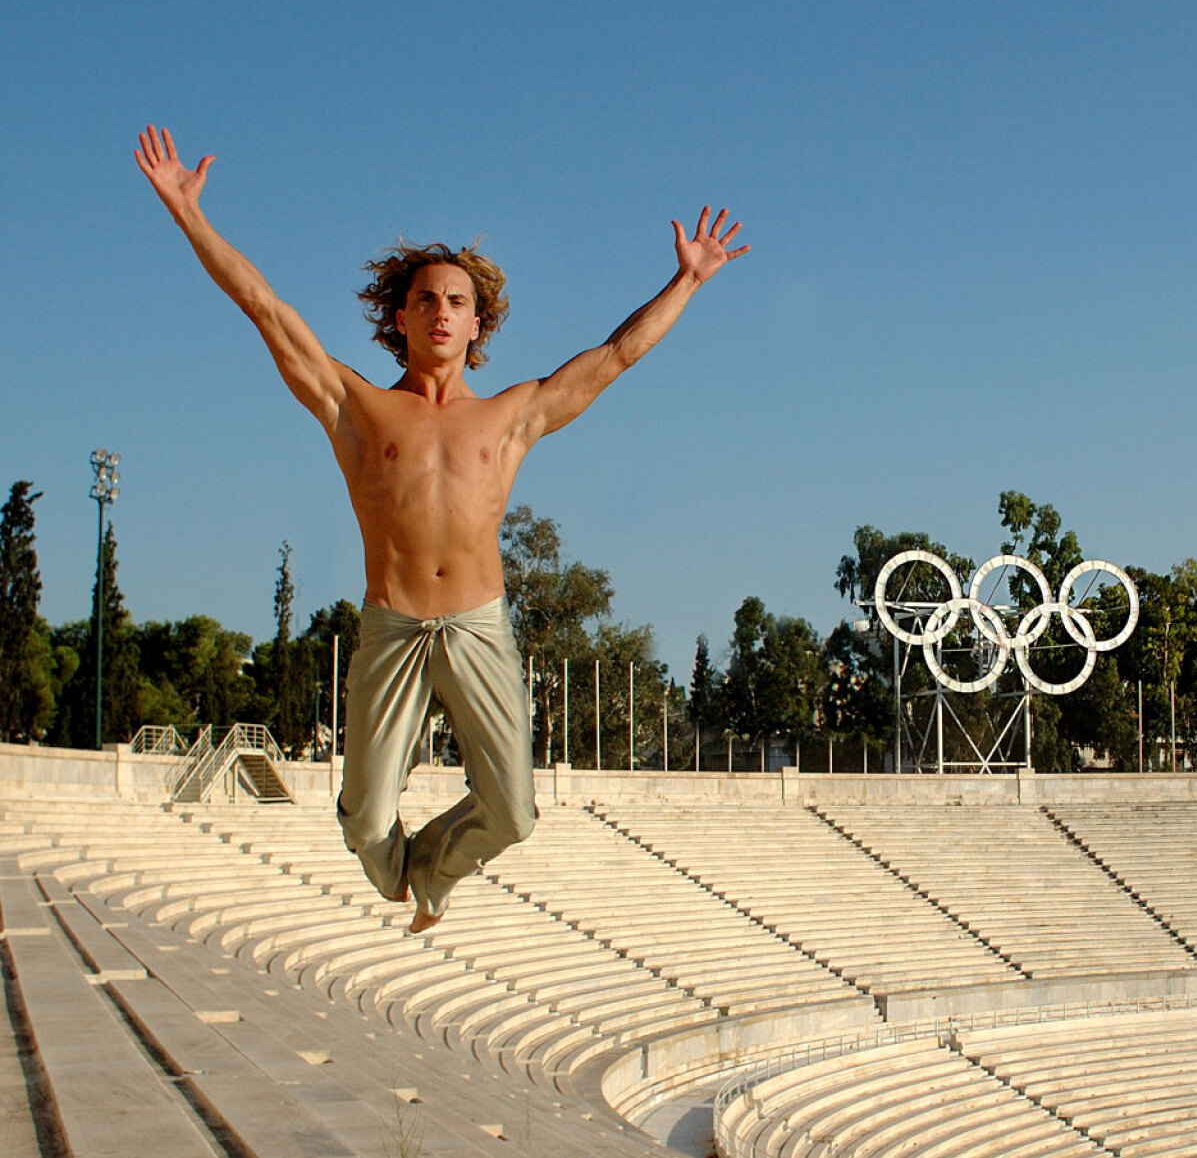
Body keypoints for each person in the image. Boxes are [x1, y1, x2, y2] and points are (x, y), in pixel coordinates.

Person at [136, 125, 748, 932]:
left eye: (457, 301)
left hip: (478, 626)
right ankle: (406, 878)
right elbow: (265, 309)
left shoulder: (512, 415)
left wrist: (689, 281)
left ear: (476, 325)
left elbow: (615, 355)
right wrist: (190, 216)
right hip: (391, 626)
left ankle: (430, 878)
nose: (440, 312)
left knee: (516, 814)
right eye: (425, 298)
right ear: (400, 315)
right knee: (361, 822)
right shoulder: (356, 408)